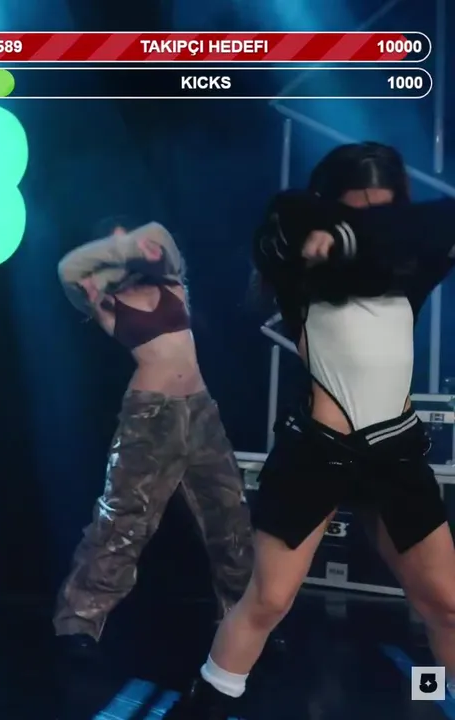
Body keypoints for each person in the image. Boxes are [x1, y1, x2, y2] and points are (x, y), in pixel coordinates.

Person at [169, 143, 455, 718]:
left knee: (447, 605)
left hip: (395, 452)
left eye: (383, 208)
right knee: (268, 600)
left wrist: (351, 234)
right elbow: (288, 211)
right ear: (332, 201)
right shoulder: (301, 262)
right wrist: (332, 232)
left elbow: (432, 223)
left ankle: (443, 700)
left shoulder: (409, 264)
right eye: (356, 208)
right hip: (320, 451)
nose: (371, 220)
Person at [52, 220, 253, 656]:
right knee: (122, 521)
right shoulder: (104, 300)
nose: (134, 244)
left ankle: (245, 621)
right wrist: (124, 251)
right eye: (117, 241)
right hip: (150, 416)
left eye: (131, 238)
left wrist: (140, 249)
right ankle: (78, 623)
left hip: (200, 410)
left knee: (230, 517)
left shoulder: (172, 283)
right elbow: (68, 268)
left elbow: (161, 236)